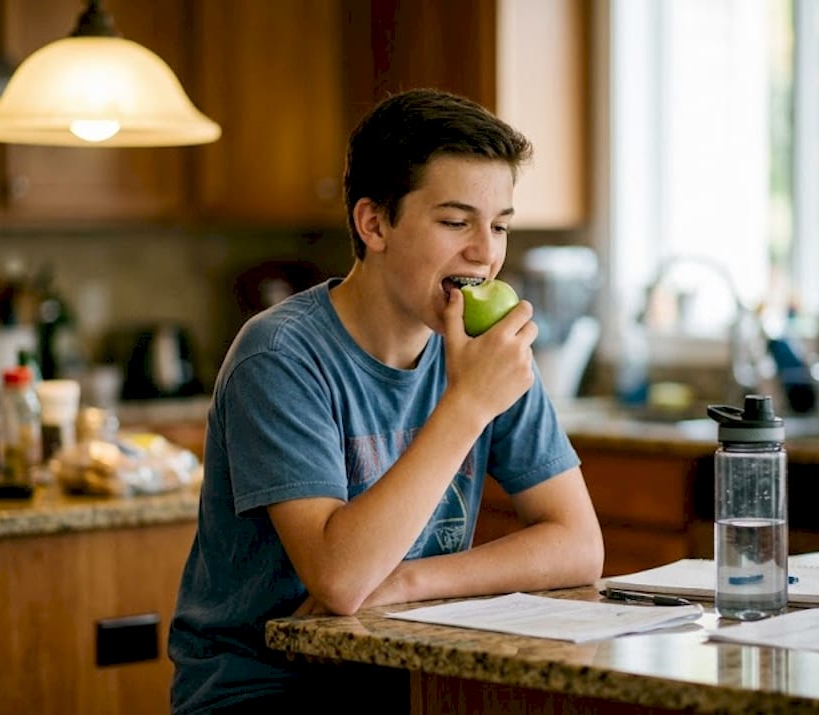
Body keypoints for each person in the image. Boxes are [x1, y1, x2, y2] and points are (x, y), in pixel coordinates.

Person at [168, 87, 604, 714]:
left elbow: (579, 545)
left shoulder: (488, 352)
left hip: (410, 674)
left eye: (500, 224)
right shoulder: (282, 357)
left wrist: (406, 582)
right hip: (266, 691)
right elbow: (342, 580)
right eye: (456, 222)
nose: (486, 252)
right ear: (374, 223)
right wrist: (468, 405)